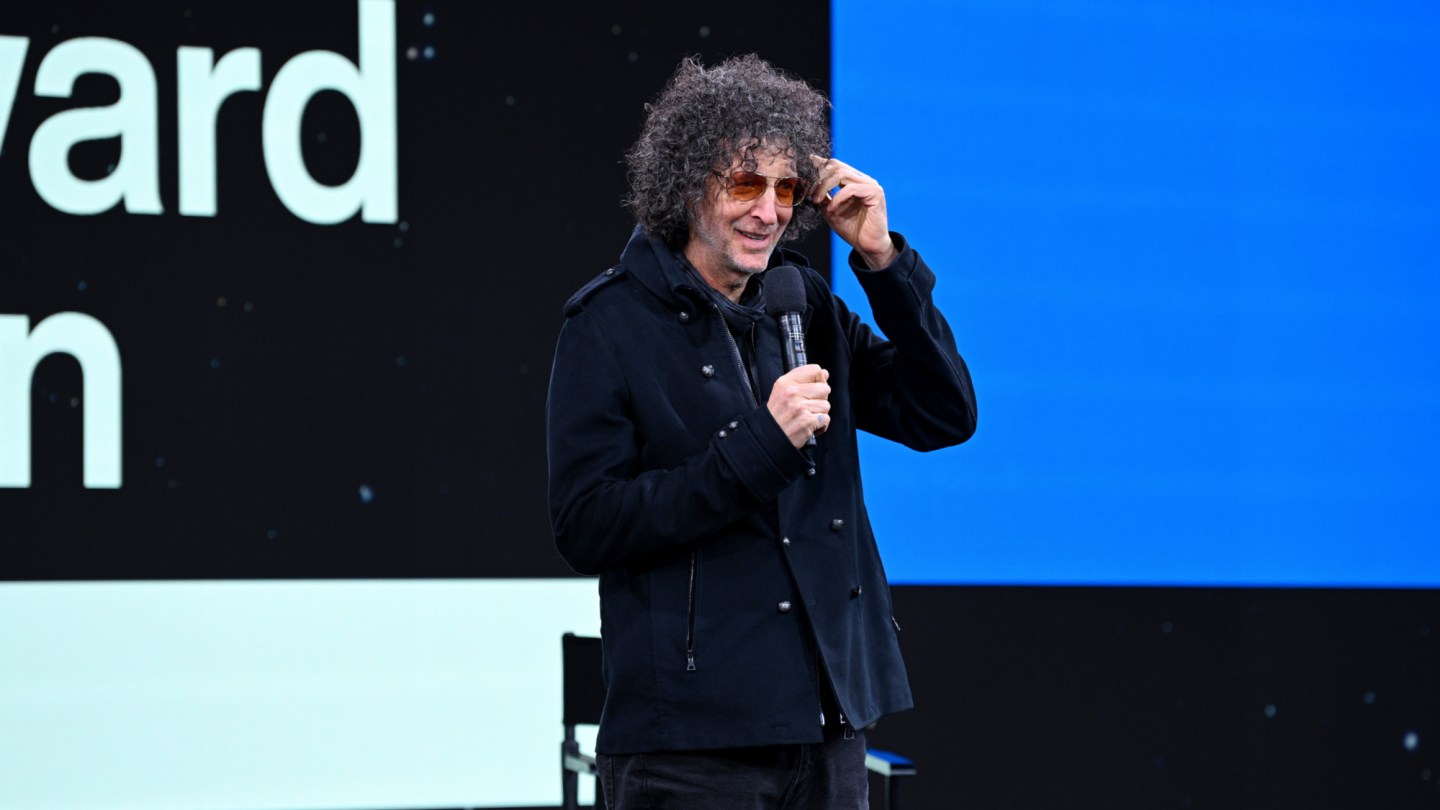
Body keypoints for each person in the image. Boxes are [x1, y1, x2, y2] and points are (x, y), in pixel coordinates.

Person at [546, 54, 977, 808]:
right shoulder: (609, 323)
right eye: (745, 184)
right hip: (690, 748)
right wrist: (761, 446)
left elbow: (942, 414)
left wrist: (882, 261)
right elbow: (587, 524)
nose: (769, 212)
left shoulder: (803, 302)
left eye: (785, 189)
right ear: (688, 185)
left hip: (828, 726)